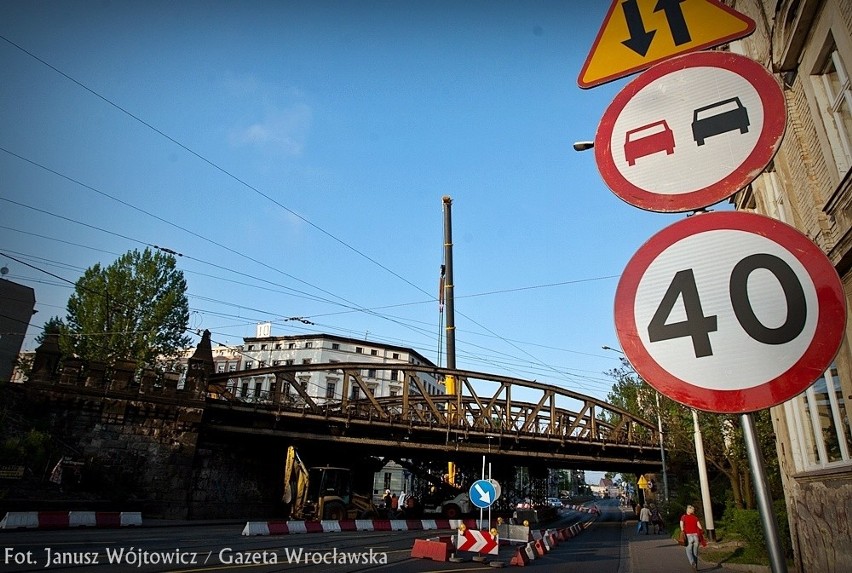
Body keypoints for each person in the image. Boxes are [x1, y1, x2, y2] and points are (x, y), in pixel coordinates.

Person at [680, 505, 704, 570]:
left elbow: (681, 527)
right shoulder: (695, 518)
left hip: (688, 536)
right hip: (696, 537)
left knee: (688, 551)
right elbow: (700, 527)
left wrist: (683, 531)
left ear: (687, 510)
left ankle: (692, 562)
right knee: (695, 553)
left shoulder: (683, 517)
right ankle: (695, 567)